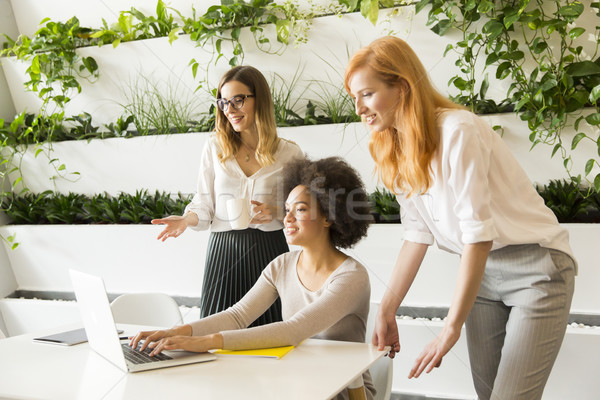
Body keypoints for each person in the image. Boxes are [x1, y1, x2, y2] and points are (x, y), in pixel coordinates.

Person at [344, 36, 576, 400]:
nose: (358, 108)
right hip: (482, 277)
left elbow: (478, 235)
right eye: (354, 97)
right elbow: (417, 233)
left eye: (367, 94)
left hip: (537, 269)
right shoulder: (394, 148)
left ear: (402, 88)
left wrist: (449, 329)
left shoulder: (458, 130)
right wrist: (386, 310)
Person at [132, 156, 375, 400]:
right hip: (297, 382)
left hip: (343, 391)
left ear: (329, 217)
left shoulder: (351, 277)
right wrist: (175, 332)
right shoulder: (282, 265)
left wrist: (207, 342)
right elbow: (237, 316)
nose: (287, 219)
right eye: (287, 209)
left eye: (300, 210)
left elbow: (294, 330)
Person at [151, 65, 303, 326]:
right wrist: (186, 220)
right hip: (224, 253)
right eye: (223, 102)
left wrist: (277, 212)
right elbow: (204, 203)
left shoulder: (289, 153)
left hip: (271, 253)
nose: (230, 110)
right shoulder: (214, 147)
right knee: (214, 340)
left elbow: (303, 210)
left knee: (271, 337)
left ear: (260, 100)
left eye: (238, 100)